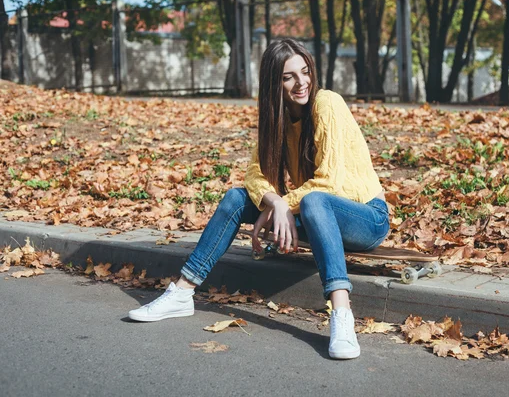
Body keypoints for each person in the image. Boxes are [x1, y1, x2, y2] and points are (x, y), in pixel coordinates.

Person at [128, 38, 390, 360]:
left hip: (366, 216)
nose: (300, 83)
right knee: (237, 198)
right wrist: (276, 203)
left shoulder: (327, 103)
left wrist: (284, 202)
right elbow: (254, 175)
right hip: (315, 214)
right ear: (274, 83)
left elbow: (331, 183)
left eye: (304, 72)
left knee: (315, 201)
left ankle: (341, 315)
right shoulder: (277, 121)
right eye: (288, 77)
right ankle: (182, 292)